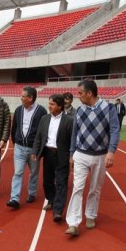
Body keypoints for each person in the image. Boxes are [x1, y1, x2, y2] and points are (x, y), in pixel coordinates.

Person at [64, 79, 120, 237]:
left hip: (100, 156)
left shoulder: (108, 108)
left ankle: (90, 215)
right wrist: (71, 153)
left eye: (80, 93)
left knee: (95, 188)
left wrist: (111, 151)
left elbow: (115, 130)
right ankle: (73, 223)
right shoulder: (79, 111)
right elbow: (75, 133)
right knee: (77, 188)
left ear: (90, 93)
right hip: (81, 154)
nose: (78, 96)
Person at [31, 94, 73, 222]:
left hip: (62, 155)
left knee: (61, 182)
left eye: (52, 104)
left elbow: (72, 139)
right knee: (47, 181)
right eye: (49, 104)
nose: (49, 106)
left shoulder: (69, 120)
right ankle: (51, 200)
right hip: (48, 153)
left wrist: (71, 155)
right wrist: (35, 151)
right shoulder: (44, 119)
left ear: (60, 106)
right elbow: (38, 137)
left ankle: (58, 210)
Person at [6, 86, 47, 210]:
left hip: (33, 149)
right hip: (19, 147)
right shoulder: (18, 110)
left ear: (30, 98)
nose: (21, 98)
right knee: (18, 172)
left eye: (23, 96)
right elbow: (15, 127)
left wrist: (39, 149)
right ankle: (14, 199)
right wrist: (15, 140)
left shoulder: (41, 111)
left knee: (34, 173)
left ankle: (32, 193)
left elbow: (43, 132)